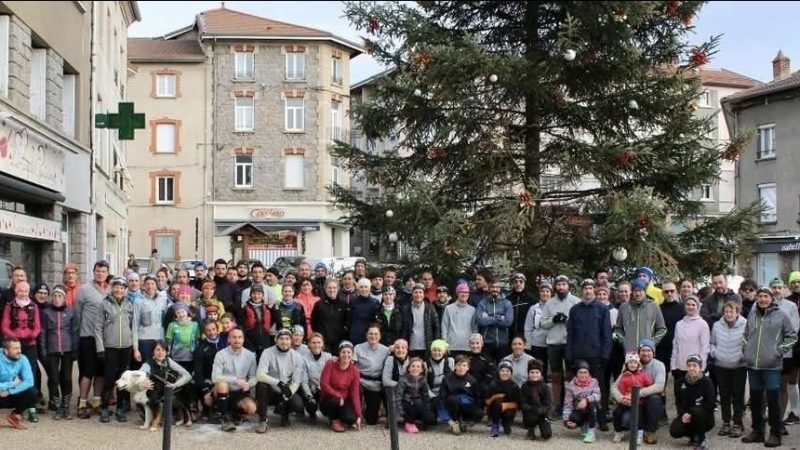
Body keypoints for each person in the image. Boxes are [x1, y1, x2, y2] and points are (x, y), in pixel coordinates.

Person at [741, 287, 798, 447]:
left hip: (772, 366)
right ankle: (757, 431)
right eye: (760, 296)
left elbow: (792, 336)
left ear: (772, 299)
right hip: (753, 366)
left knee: (773, 401)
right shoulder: (752, 315)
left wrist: (778, 351)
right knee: (756, 400)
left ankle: (775, 433)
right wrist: (746, 349)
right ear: (757, 298)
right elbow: (745, 334)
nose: (763, 299)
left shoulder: (781, 315)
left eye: (766, 296)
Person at [567, 278, 612, 429]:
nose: (588, 291)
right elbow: (570, 334)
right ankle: (580, 418)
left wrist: (605, 354)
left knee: (600, 387)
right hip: (579, 354)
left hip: (596, 354)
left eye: (590, 288)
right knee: (579, 388)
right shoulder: (575, 309)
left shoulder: (602, 309)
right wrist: (569, 354)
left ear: (594, 290)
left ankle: (602, 418)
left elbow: (607, 334)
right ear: (582, 291)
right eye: (585, 288)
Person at [611, 339, 667, 445]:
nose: (645, 353)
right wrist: (621, 398)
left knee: (654, 400)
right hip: (629, 401)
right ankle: (626, 430)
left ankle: (650, 431)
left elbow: (659, 386)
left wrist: (636, 394)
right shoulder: (629, 363)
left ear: (653, 353)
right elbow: (614, 386)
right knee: (625, 420)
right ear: (639, 352)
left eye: (649, 350)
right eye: (643, 350)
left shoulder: (659, 365)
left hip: (648, 400)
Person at [1, 281, 41, 422]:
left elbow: (37, 327)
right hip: (13, 342)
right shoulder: (9, 306)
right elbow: (4, 326)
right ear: (16, 291)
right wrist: (14, 338)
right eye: (20, 290)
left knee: (31, 374)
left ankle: (32, 409)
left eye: (25, 291)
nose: (23, 293)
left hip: (29, 343)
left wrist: (30, 335)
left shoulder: (34, 306)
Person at [96, 277, 135, 423]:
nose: (119, 290)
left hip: (125, 346)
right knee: (109, 378)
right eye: (116, 287)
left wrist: (133, 345)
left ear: (125, 290)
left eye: (122, 288)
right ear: (112, 288)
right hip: (110, 347)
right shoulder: (104, 303)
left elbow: (132, 325)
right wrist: (100, 347)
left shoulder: (129, 304)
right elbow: (98, 327)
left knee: (123, 379)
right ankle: (105, 408)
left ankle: (120, 408)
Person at [75, 260, 110, 418]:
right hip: (88, 336)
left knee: (101, 372)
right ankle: (82, 402)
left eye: (103, 271)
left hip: (104, 338)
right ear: (93, 272)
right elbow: (78, 313)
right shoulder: (84, 290)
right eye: (98, 271)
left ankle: (96, 401)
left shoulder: (110, 290)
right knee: (88, 371)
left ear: (107, 273)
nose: (100, 274)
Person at [542, 275, 579, 416]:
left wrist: (567, 320)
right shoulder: (549, 303)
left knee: (571, 375)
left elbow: (580, 324)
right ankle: (557, 406)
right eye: (558, 285)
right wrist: (554, 319)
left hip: (570, 343)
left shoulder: (576, 301)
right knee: (556, 376)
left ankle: (571, 405)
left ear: (568, 286)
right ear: (555, 287)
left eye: (564, 284)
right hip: (554, 343)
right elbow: (543, 324)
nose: (561, 287)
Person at [254, 329, 304, 432]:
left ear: (291, 341)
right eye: (281, 338)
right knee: (262, 385)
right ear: (276, 340)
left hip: (285, 390)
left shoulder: (297, 357)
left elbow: (296, 381)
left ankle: (284, 413)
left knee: (298, 405)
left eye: (287, 339)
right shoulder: (267, 352)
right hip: (271, 390)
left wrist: (287, 394)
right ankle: (263, 419)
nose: (284, 341)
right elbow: (259, 375)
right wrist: (278, 383)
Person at [39, 285, 78, 420]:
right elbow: (43, 332)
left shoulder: (71, 312)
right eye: (54, 296)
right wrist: (43, 350)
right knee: (54, 379)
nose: (56, 298)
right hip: (52, 349)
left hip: (67, 349)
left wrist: (75, 349)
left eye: (59, 296)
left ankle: (66, 406)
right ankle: (57, 407)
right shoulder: (46, 312)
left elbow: (74, 332)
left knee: (66, 378)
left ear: (64, 297)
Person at [710, 301, 747, 438]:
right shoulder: (717, 325)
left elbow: (748, 343)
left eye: (732, 311)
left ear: (737, 313)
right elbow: (712, 343)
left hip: (739, 366)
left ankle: (737, 423)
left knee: (738, 396)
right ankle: (726, 422)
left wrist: (743, 356)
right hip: (721, 366)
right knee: (724, 396)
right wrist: (715, 353)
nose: (729, 314)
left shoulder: (745, 324)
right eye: (726, 311)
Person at [211, 328, 257, 432]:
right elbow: (215, 377)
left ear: (243, 339)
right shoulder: (221, 354)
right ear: (229, 339)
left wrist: (249, 384)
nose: (237, 340)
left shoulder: (250, 355)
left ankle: (234, 414)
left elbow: (254, 376)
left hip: (240, 392)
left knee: (251, 408)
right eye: (234, 337)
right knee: (222, 384)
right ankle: (224, 419)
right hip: (224, 390)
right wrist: (235, 380)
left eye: (240, 337)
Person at [139, 340, 193, 428]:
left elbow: (187, 375)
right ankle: (155, 418)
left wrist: (176, 384)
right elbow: (139, 375)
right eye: (158, 350)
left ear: (167, 352)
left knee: (184, 389)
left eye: (163, 350)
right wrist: (143, 382)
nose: (160, 353)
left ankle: (183, 415)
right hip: (153, 393)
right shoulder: (147, 364)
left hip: (168, 390)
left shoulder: (169, 361)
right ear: (153, 352)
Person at [670, 295, 710, 410]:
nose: (690, 307)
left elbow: (705, 347)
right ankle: (681, 416)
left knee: (694, 396)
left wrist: (701, 367)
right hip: (681, 366)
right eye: (688, 304)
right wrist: (673, 366)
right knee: (680, 396)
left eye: (693, 305)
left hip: (695, 367)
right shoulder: (679, 324)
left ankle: (695, 417)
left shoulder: (702, 324)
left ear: (697, 307)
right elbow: (675, 346)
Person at [669, 355, 715, 450]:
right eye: (689, 365)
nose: (691, 368)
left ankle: (702, 439)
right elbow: (679, 402)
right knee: (674, 431)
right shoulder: (680, 382)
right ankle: (693, 435)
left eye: (694, 365)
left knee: (696, 411)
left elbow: (710, 404)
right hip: (687, 415)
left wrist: (693, 413)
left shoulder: (707, 382)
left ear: (700, 367)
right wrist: (683, 414)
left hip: (703, 416)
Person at [614, 278, 667, 354]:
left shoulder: (654, 306)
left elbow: (662, 329)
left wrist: (651, 343)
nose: (638, 294)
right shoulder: (624, 307)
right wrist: (624, 342)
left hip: (647, 352)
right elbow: (618, 329)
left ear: (645, 291)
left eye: (640, 290)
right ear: (632, 292)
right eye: (635, 291)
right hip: (630, 351)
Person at [320, 340, 362, 432]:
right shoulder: (330, 363)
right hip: (329, 399)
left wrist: (358, 415)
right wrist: (338, 395)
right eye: (343, 352)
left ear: (352, 354)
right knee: (335, 401)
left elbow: (355, 393)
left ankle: (341, 420)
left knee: (351, 419)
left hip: (344, 400)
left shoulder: (355, 371)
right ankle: (334, 420)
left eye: (349, 352)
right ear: (339, 353)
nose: (346, 355)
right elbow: (324, 384)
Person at [612, 353, 654, 443]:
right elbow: (621, 388)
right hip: (626, 401)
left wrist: (643, 393)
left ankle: (639, 434)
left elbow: (649, 385)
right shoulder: (623, 376)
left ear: (638, 365)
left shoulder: (642, 375)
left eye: (635, 363)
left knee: (639, 416)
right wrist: (624, 398)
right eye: (630, 363)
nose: (632, 365)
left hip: (638, 401)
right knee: (617, 413)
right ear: (626, 364)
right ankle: (618, 432)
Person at [354, 324, 390, 425]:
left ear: (380, 336)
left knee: (371, 420)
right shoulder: (358, 348)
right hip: (361, 381)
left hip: (376, 384)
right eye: (370, 333)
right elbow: (351, 364)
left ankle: (381, 413)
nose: (373, 336)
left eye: (375, 334)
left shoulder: (386, 350)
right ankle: (356, 414)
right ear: (366, 335)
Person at [440, 355, 484, 435]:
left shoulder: (472, 380)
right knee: (452, 399)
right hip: (452, 406)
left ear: (468, 368)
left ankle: (464, 422)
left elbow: (477, 397)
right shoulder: (447, 379)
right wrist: (446, 417)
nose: (461, 368)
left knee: (479, 413)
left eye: (464, 365)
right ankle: (454, 422)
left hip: (466, 406)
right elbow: (442, 398)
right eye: (459, 365)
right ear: (454, 366)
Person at [132, 275, 168, 371]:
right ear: (143, 286)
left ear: (156, 285)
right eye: (147, 284)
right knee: (146, 368)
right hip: (144, 340)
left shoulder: (163, 300)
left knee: (158, 368)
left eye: (152, 284)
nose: (150, 286)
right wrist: (136, 349)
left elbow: (165, 321)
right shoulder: (139, 301)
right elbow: (135, 325)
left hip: (159, 339)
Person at [0, 337, 36, 429]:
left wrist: (9, 391)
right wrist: (11, 384)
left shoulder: (22, 358)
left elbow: (29, 381)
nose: (19, 351)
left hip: (8, 393)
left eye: (19, 348)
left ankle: (14, 416)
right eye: (15, 348)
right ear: (6, 350)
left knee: (32, 392)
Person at [562, 359, 601, 443]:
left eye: (585, 372)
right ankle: (584, 425)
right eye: (580, 372)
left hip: (593, 407)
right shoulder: (571, 385)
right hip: (578, 409)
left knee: (591, 404)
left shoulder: (594, 382)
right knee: (572, 420)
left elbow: (597, 395)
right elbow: (567, 403)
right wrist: (566, 419)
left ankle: (591, 432)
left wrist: (586, 400)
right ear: (576, 373)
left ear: (589, 372)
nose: (583, 375)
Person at [194, 319, 225, 421]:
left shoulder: (225, 342)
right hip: (209, 380)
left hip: (226, 378)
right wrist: (205, 391)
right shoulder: (201, 348)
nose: (212, 332)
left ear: (217, 329)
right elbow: (198, 372)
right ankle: (208, 409)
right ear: (204, 332)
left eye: (213, 329)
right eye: (208, 330)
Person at [476, 280, 513, 363]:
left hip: (503, 343)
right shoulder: (482, 303)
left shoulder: (507, 303)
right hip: (487, 343)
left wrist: (489, 317)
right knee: (488, 368)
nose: (495, 289)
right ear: (489, 288)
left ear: (500, 288)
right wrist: (498, 317)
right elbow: (481, 321)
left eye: (497, 287)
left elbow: (508, 322)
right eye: (493, 287)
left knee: (503, 367)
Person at [397, 357, 436, 433]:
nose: (415, 368)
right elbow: (398, 397)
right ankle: (409, 422)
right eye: (413, 366)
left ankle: (418, 420)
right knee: (412, 407)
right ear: (408, 368)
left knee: (431, 419)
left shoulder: (423, 380)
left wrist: (426, 409)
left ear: (422, 370)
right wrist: (401, 412)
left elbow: (425, 396)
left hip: (419, 403)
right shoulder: (403, 380)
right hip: (407, 403)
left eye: (418, 367)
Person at [299, 332, 332, 422]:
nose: (316, 345)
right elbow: (304, 381)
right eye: (313, 343)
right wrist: (310, 396)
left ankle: (329, 413)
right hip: (311, 389)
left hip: (324, 388)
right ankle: (311, 412)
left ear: (322, 344)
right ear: (309, 344)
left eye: (318, 342)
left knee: (328, 403)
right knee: (311, 405)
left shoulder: (328, 357)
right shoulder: (303, 358)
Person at [402, 283, 440, 359]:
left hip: (427, 346)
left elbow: (436, 326)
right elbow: (402, 328)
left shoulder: (430, 308)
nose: (418, 295)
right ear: (412, 294)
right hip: (411, 346)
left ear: (423, 294)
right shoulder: (406, 309)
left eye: (420, 292)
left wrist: (435, 343)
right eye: (416, 292)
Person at [485, 360, 520, 437]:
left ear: (511, 373)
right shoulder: (493, 384)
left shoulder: (514, 386)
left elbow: (517, 404)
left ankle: (506, 424)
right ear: (499, 372)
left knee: (508, 413)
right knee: (497, 402)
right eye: (502, 371)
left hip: (509, 410)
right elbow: (487, 402)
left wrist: (503, 406)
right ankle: (495, 425)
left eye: (507, 371)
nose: (505, 373)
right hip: (494, 409)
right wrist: (495, 397)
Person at [441, 283, 477, 356]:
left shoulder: (472, 310)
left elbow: (474, 329)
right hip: (452, 346)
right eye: (462, 292)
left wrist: (474, 344)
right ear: (457, 293)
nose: (464, 294)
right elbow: (444, 327)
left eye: (466, 292)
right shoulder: (448, 308)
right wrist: (444, 343)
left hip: (467, 346)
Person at [520, 358, 552, 440]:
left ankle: (543, 425)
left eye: (537, 372)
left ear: (541, 374)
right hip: (530, 412)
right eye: (532, 372)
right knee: (531, 417)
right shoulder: (524, 386)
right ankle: (530, 429)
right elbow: (523, 403)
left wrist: (541, 410)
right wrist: (531, 409)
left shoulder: (545, 386)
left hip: (542, 413)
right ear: (528, 373)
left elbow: (548, 404)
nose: (534, 375)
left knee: (546, 434)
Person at [311, 280, 347, 352]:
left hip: (338, 341)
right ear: (325, 289)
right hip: (324, 342)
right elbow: (313, 322)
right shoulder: (319, 304)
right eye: (329, 288)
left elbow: (346, 321)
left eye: (334, 288)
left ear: (338, 289)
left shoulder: (343, 304)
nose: (332, 290)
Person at [657, 280, 684, 375]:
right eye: (666, 291)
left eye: (672, 291)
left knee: (679, 380)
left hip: (679, 350)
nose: (669, 293)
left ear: (676, 291)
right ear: (662, 293)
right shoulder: (657, 309)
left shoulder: (683, 309)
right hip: (661, 350)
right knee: (661, 379)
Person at [242, 284, 276, 360]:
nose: (256, 296)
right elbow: (242, 326)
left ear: (262, 295)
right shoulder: (244, 309)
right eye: (254, 293)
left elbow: (272, 322)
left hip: (265, 342)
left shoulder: (267, 308)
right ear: (250, 295)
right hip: (250, 343)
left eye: (259, 294)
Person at [524, 282, 551, 375]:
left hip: (552, 343)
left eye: (547, 291)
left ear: (551, 293)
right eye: (542, 291)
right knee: (539, 370)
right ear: (539, 293)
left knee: (552, 372)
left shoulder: (555, 307)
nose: (545, 293)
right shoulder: (533, 308)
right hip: (537, 344)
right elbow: (528, 328)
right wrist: (528, 345)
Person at [382, 338, 410, 428]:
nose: (400, 350)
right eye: (397, 347)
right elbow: (386, 380)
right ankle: (392, 417)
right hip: (393, 388)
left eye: (403, 348)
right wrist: (400, 385)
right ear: (394, 350)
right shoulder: (390, 359)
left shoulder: (410, 361)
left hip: (407, 389)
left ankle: (407, 417)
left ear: (407, 350)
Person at [784, 271, 800, 425]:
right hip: (793, 346)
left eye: (799, 282)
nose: (796, 284)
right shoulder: (786, 301)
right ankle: (795, 412)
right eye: (793, 282)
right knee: (792, 379)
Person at [347, 279, 380, 345]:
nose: (364, 289)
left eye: (366, 287)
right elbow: (348, 319)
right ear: (358, 288)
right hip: (356, 335)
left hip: (371, 335)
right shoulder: (353, 301)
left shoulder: (375, 302)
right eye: (361, 287)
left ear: (369, 288)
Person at [508, 273, 536, 338]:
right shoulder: (508, 299)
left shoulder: (531, 299)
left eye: (521, 281)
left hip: (526, 335)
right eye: (516, 282)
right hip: (511, 336)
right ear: (513, 284)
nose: (518, 284)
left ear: (524, 283)